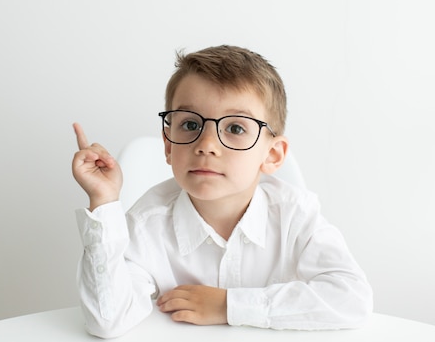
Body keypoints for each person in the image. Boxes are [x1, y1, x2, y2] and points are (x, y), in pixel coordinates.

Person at [71, 45, 373, 338]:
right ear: (168, 144)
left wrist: (228, 305)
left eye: (236, 128)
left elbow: (352, 299)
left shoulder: (295, 214)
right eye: (190, 124)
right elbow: (107, 320)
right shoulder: (147, 224)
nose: (206, 145)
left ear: (273, 155)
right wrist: (104, 201)